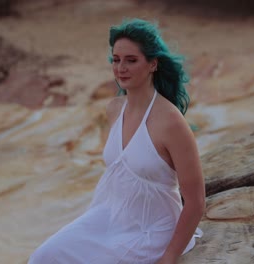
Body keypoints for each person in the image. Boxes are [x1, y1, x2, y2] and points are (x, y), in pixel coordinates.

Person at [28, 18, 205, 264]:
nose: (121, 68)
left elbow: (196, 201)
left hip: (152, 231)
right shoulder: (114, 109)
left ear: (153, 64)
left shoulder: (171, 122)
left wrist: (170, 256)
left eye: (131, 60)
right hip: (111, 218)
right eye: (116, 59)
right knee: (43, 257)